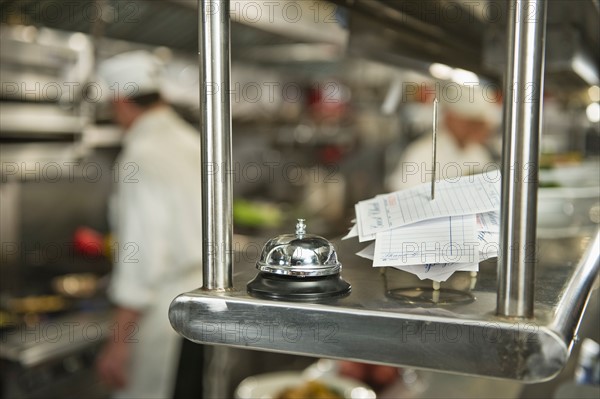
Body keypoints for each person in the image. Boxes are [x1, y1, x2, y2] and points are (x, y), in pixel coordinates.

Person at [95, 51, 203, 398]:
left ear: (122, 101)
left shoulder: (141, 155)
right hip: (203, 303)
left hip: (161, 314)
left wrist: (119, 341)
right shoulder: (191, 139)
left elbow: (141, 256)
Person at [387, 85, 501, 191]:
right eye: (471, 123)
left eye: (478, 125)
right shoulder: (422, 155)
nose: (476, 130)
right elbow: (403, 201)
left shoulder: (478, 154)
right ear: (450, 117)